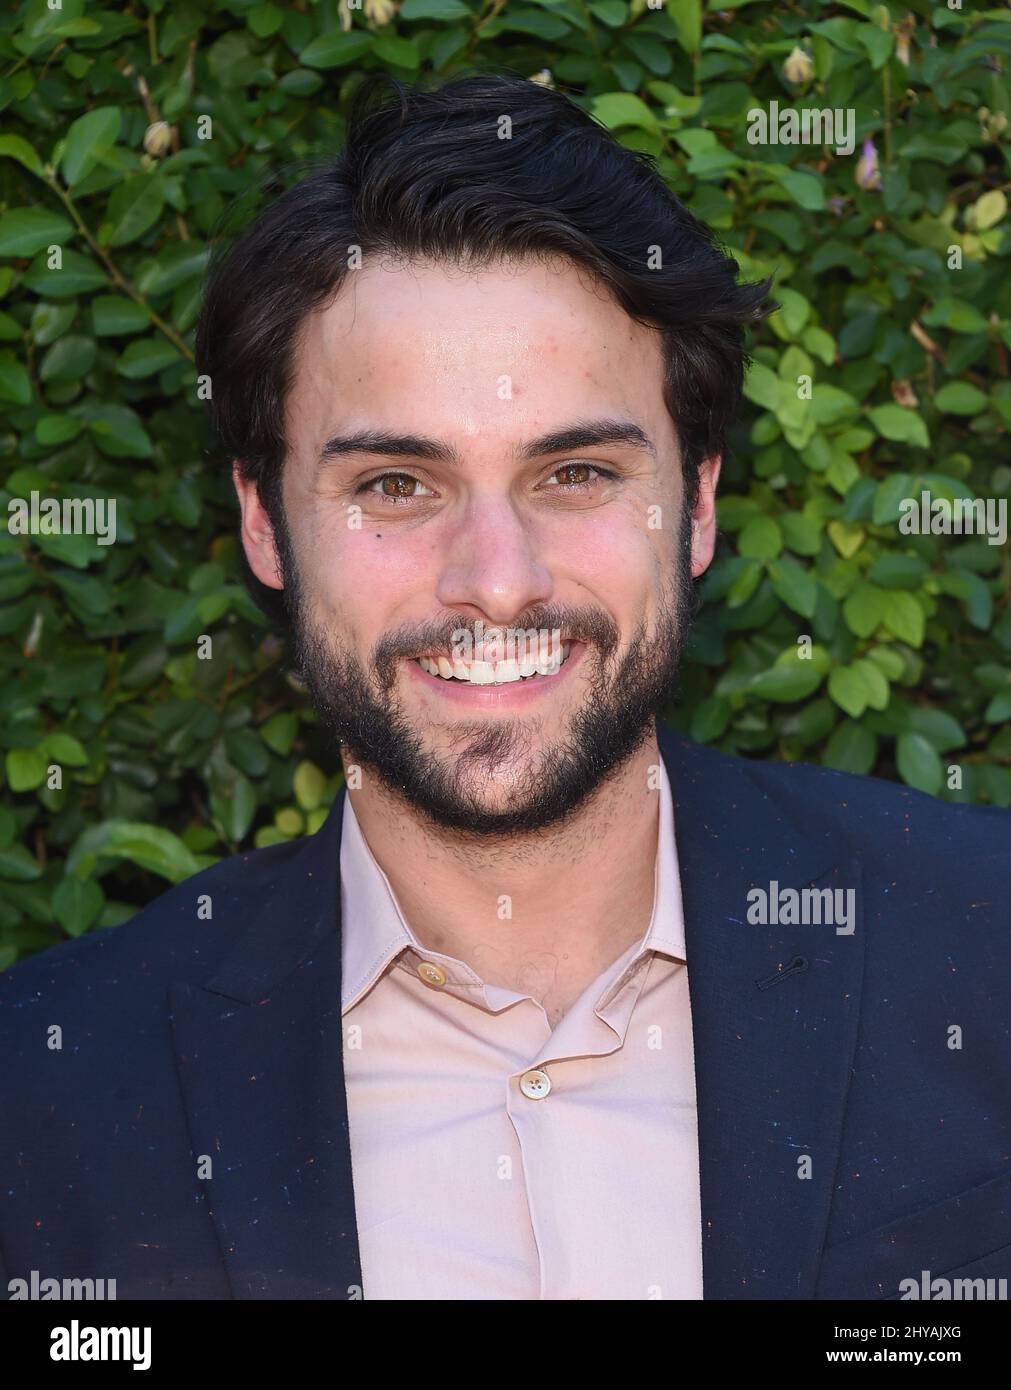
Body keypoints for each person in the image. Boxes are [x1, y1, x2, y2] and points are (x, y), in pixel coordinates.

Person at [2, 72, 1009, 1303]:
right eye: (396, 484)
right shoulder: (48, 1091)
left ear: (694, 505)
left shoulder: (984, 949)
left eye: (576, 472)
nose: (498, 582)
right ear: (264, 525)